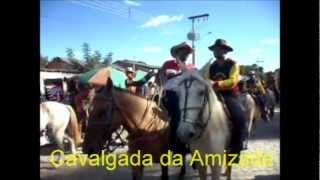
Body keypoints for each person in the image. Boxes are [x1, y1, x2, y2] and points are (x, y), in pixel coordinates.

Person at [207, 39, 248, 168]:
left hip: (229, 94)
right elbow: (206, 77)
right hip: (213, 94)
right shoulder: (211, 66)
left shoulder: (233, 64)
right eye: (214, 49)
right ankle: (194, 150)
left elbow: (233, 80)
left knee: (240, 117)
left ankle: (235, 149)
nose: (216, 51)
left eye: (219, 48)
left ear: (225, 50)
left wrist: (216, 84)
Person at [159, 42, 195, 152]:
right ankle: (175, 145)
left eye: (188, 52)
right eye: (183, 51)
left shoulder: (191, 67)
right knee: (177, 114)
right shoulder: (167, 64)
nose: (186, 53)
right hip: (169, 94)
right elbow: (160, 76)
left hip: (186, 96)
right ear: (177, 52)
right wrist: (163, 82)